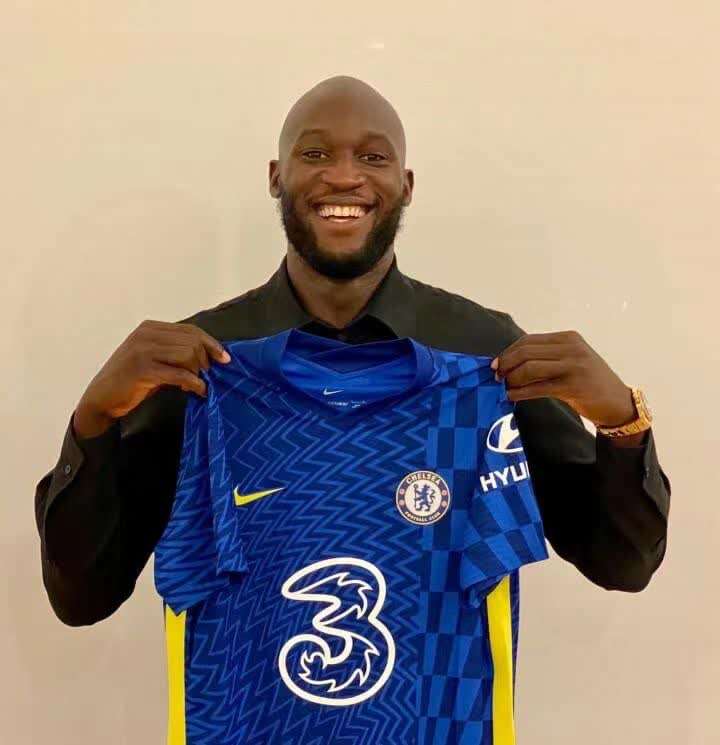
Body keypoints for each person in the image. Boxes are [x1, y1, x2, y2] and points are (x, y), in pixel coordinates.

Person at [34, 74, 671, 738]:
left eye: (372, 156)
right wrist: (93, 421)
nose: (344, 176)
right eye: (315, 153)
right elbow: (81, 594)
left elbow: (624, 562)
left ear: (407, 184)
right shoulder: (203, 367)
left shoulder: (484, 359)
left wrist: (623, 424)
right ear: (277, 177)